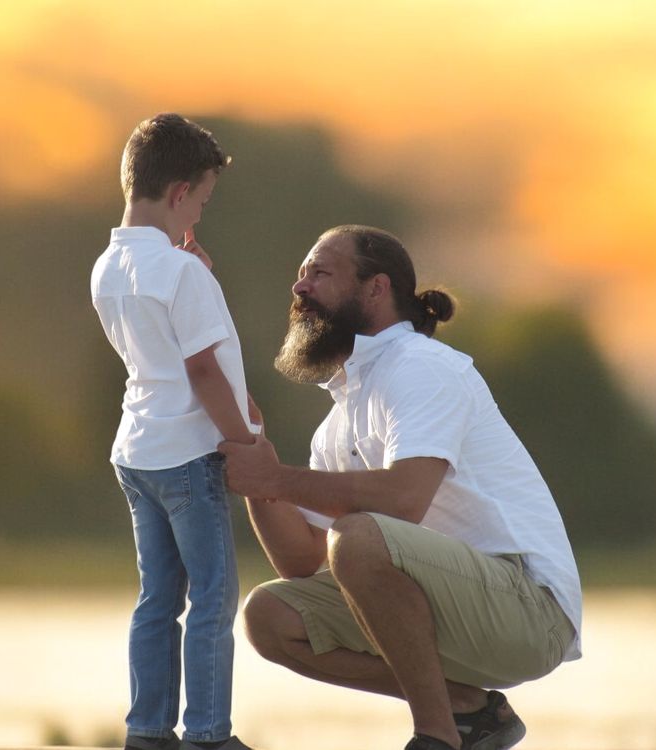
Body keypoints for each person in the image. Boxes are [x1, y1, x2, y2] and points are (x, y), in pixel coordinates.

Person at [218, 225, 582, 750]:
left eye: (319, 273)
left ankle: (435, 737)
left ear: (375, 288)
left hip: (530, 611)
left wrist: (279, 479)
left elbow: (405, 500)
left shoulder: (421, 366)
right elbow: (301, 560)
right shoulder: (338, 419)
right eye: (300, 277)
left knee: (359, 537)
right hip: (447, 608)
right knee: (269, 616)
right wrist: (256, 469)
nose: (300, 289)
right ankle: (468, 710)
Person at [91, 113, 259, 750]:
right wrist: (242, 439)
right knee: (214, 597)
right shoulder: (182, 273)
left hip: (138, 449)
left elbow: (161, 350)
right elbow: (201, 366)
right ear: (180, 191)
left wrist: (197, 272)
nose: (199, 219)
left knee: (158, 598)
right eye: (202, 203)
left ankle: (147, 730)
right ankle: (210, 735)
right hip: (191, 453)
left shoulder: (107, 266)